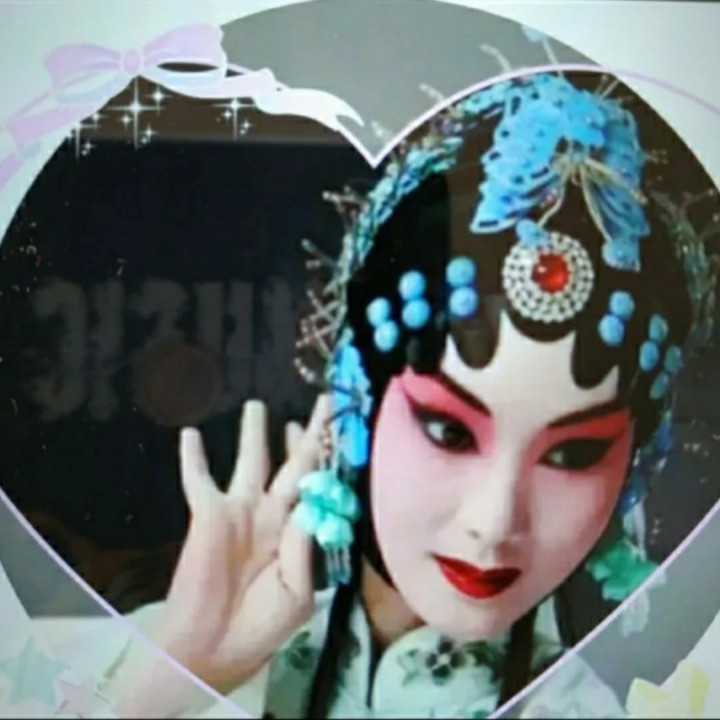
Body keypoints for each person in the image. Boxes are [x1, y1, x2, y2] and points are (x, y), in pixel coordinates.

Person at [32, 70, 717, 719]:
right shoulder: (132, 664)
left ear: (632, 470)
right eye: (449, 431)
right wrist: (166, 687)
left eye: (572, 454)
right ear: (356, 405)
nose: (493, 522)